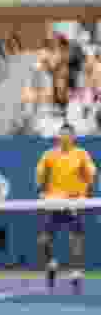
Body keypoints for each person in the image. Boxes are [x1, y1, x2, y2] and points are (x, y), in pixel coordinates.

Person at [36, 123, 96, 293]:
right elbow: (40, 176)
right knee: (43, 241)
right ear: (58, 137)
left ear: (73, 137)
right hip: (54, 202)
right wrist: (42, 191)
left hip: (74, 202)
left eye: (68, 135)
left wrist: (84, 193)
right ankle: (52, 263)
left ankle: (76, 275)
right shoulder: (49, 155)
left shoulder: (81, 154)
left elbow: (91, 175)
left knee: (75, 240)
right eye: (62, 135)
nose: (64, 138)